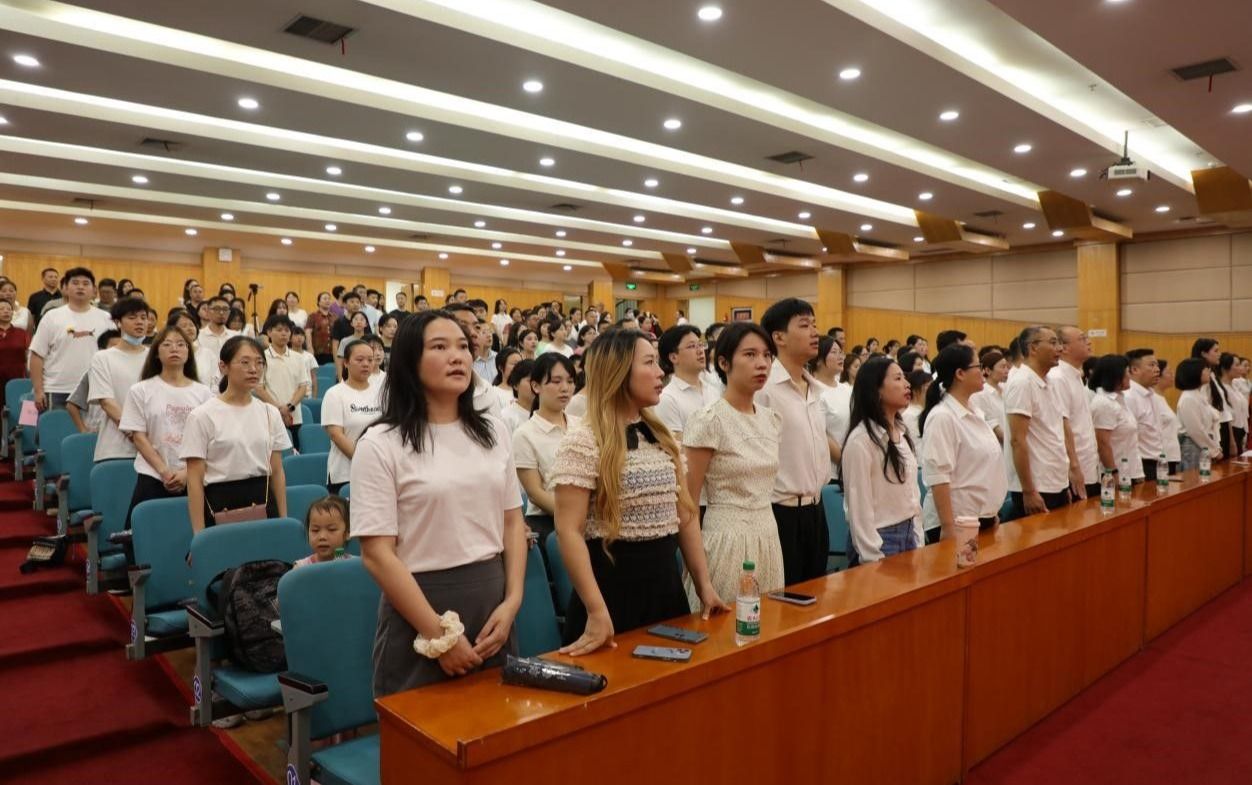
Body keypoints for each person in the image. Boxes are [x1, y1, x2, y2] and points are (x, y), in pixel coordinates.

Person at [350, 310, 526, 695]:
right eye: (440, 347)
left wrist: (512, 601)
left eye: (463, 346)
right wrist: (439, 636)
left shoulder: (494, 431)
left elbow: (513, 522)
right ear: (410, 361)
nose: (457, 356)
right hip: (421, 610)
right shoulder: (380, 443)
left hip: (492, 605)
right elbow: (377, 554)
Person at [552, 328, 726, 655]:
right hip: (610, 590)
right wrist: (595, 609)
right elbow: (568, 531)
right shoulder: (583, 441)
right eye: (649, 362)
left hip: (664, 586)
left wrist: (704, 585)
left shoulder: (661, 436)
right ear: (618, 372)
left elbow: (685, 515)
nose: (660, 372)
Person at [682, 322, 784, 608]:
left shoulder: (771, 419)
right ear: (724, 363)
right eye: (750, 355)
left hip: (768, 534)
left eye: (767, 355)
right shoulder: (709, 420)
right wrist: (698, 574)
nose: (762, 364)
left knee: (770, 623)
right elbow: (688, 505)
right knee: (726, 626)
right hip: (726, 541)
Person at [181, 337, 290, 533]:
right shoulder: (202, 416)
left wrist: (283, 520)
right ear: (223, 367)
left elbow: (277, 471)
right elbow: (194, 480)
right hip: (220, 502)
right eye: (245, 362)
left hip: (263, 498)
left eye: (259, 363)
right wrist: (199, 533)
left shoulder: (269, 412)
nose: (253, 369)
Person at [754, 298, 829, 585]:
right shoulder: (765, 389)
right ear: (779, 337)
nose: (815, 332)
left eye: (814, 325)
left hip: (816, 509)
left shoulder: (814, 388)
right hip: (780, 513)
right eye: (805, 325)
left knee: (818, 596)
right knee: (784, 599)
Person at [119, 325, 213, 524]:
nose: (174, 349)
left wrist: (187, 473)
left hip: (194, 475)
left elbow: (210, 440)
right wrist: (164, 471)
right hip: (153, 475)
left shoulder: (204, 393)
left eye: (180, 344)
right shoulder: (141, 390)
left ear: (188, 353)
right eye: (167, 344)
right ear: (156, 353)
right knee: (143, 533)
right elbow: (138, 436)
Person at [919, 344, 1005, 543]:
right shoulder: (942, 417)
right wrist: (948, 527)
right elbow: (939, 477)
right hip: (957, 522)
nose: (983, 372)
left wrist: (990, 511)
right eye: (978, 366)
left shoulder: (974, 410)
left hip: (980, 516)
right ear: (960, 373)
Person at [841, 356, 922, 565]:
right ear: (876, 389)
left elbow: (912, 494)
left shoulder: (901, 432)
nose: (907, 384)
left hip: (908, 532)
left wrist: (917, 536)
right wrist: (872, 558)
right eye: (898, 378)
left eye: (905, 377)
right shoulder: (861, 440)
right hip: (881, 540)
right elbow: (859, 508)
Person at [1004, 326, 1085, 517]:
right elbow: (1018, 441)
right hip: (1036, 485)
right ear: (1033, 348)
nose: (1059, 348)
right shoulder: (1022, 383)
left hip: (1056, 482)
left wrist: (1065, 480)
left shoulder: (1051, 382)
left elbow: (1057, 430)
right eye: (1053, 343)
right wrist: (1029, 491)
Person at [512, 353, 578, 541]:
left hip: (588, 519)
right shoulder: (524, 434)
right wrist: (576, 518)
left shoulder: (582, 425)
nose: (565, 388)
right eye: (556, 381)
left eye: (570, 381)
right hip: (549, 524)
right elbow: (535, 493)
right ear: (536, 386)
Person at [30, 268, 114, 411]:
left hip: (95, 390)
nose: (80, 287)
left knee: (90, 427)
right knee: (56, 427)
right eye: (75, 283)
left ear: (94, 290)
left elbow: (113, 355)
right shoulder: (51, 317)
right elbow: (37, 355)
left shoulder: (106, 318)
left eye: (85, 283)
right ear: (65, 288)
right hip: (57, 389)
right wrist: (38, 390)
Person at [87, 298, 151, 462]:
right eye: (132, 317)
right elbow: (106, 401)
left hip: (154, 447)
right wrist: (136, 435)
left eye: (143, 317)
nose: (139, 322)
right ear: (118, 322)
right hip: (116, 448)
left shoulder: (154, 356)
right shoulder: (103, 357)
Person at [321, 341, 383, 495]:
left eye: (370, 360)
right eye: (360, 360)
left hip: (379, 471)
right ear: (346, 362)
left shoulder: (381, 393)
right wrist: (364, 461)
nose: (366, 364)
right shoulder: (335, 394)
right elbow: (336, 435)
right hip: (345, 474)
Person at [1047, 326, 1100, 497]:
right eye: (1083, 339)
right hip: (1072, 469)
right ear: (1064, 347)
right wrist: (1074, 466)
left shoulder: (1076, 376)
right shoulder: (1058, 377)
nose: (1089, 342)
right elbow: (1062, 425)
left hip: (1087, 464)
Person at [655, 325, 719, 441]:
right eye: (692, 346)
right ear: (674, 357)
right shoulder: (667, 399)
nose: (700, 351)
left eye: (700, 345)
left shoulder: (713, 391)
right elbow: (678, 446)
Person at [1088, 354, 1144, 485]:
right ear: (1115, 375)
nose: (1130, 376)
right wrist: (1114, 473)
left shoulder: (1120, 399)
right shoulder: (1103, 403)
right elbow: (1102, 444)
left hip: (1132, 471)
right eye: (1127, 372)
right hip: (1117, 475)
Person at [257, 315, 310, 449]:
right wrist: (278, 409)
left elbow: (303, 387)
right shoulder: (261, 357)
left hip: (294, 417)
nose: (284, 333)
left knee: (294, 452)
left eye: (287, 330)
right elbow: (259, 388)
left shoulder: (298, 358)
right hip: (270, 417)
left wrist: (289, 407)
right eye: (279, 330)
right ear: (269, 332)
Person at [67, 331, 120, 434]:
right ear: (101, 350)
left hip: (119, 433)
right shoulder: (92, 374)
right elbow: (71, 406)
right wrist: (83, 430)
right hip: (95, 432)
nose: (118, 352)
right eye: (114, 348)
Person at [1175, 358, 1223, 471]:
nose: (1209, 371)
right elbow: (1195, 430)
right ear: (1194, 372)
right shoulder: (1188, 398)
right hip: (1193, 447)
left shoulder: (1198, 395)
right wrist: (1214, 451)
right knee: (1194, 479)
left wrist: (1215, 446)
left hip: (1202, 445)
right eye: (1205, 369)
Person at [811, 337, 848, 481]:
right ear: (819, 359)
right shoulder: (814, 391)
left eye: (841, 352)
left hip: (853, 464)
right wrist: (844, 463)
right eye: (834, 352)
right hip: (832, 472)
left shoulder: (847, 389)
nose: (841, 357)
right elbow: (822, 434)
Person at [1124, 348, 1165, 482]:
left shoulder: (1152, 395)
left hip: (1157, 461)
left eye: (1157, 365)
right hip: (1141, 465)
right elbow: (1130, 438)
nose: (1157, 369)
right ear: (1135, 370)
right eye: (1151, 365)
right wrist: (1137, 472)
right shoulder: (1129, 396)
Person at [1191, 338, 1231, 458]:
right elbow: (1204, 409)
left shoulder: (1212, 374)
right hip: (1211, 429)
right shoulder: (1202, 378)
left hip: (1220, 426)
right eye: (1216, 351)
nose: (1219, 354)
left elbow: (1223, 408)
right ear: (1204, 353)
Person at [294, 496, 353, 567]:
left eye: (331, 529)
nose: (322, 537)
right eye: (315, 530)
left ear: (348, 532)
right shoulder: (300, 567)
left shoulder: (357, 566)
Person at [970, 350, 1008, 443]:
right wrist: (1012, 444)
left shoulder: (1006, 388)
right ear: (988, 370)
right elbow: (992, 425)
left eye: (1007, 367)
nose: (1007, 371)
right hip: (999, 444)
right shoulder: (981, 394)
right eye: (1003, 367)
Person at [1220, 353, 1248, 455]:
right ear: (1225, 368)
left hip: (1240, 430)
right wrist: (1232, 441)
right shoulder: (1222, 388)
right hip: (1230, 433)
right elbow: (1227, 416)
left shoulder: (1234, 386)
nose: (1240, 368)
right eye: (1237, 365)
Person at [0, 298, 29, 394]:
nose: (6, 311)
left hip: (17, 379)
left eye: (9, 309)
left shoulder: (22, 333)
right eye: (2, 309)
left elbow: (29, 358)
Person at [501, 359, 535, 433]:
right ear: (516, 385)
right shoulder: (506, 416)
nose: (535, 386)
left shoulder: (546, 413)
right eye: (530, 381)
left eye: (538, 381)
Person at [305, 291, 335, 366]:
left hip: (333, 352)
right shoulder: (313, 316)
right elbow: (308, 332)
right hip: (318, 352)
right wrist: (309, 347)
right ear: (319, 302)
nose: (327, 300)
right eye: (324, 299)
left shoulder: (335, 317)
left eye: (329, 299)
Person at [902, 370, 931, 445]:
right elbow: (916, 445)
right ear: (915, 391)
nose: (932, 390)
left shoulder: (924, 410)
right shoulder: (909, 415)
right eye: (928, 386)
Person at [289, 327, 319, 399]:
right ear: (290, 338)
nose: (299, 337)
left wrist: (314, 397)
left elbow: (313, 377)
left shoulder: (309, 356)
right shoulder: (286, 355)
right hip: (291, 393)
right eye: (296, 334)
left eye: (302, 335)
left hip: (307, 394)